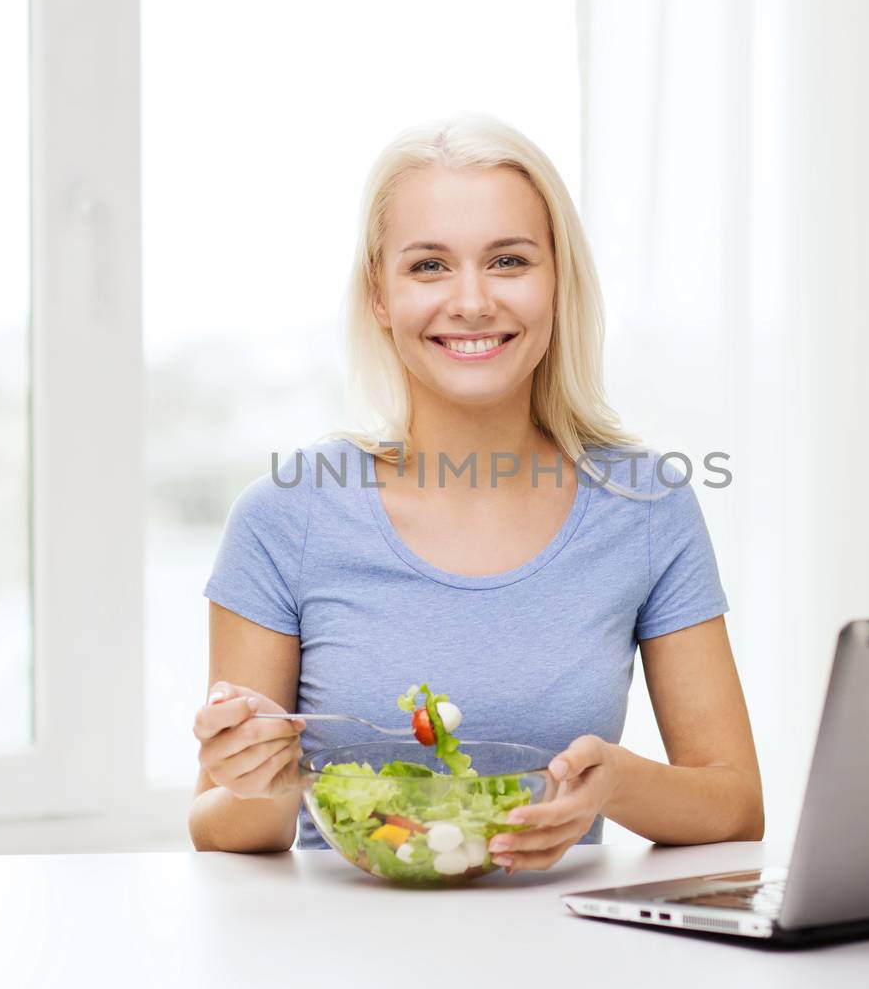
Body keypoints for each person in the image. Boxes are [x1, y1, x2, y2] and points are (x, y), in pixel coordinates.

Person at [188, 113, 762, 870]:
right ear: (379, 295)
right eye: (428, 266)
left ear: (558, 282)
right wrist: (256, 777)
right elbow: (222, 827)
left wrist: (616, 784)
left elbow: (736, 805)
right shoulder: (283, 517)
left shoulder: (646, 506)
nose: (471, 301)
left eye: (509, 261)